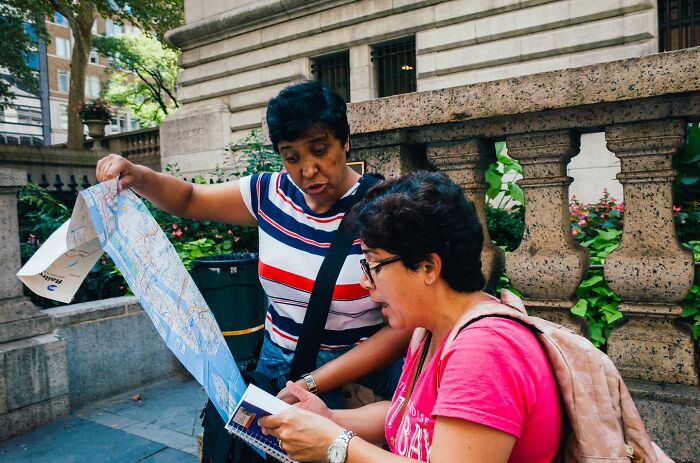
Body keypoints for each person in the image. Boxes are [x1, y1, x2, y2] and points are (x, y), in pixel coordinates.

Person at [96, 81, 409, 458]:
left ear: (345, 142)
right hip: (274, 367)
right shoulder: (268, 194)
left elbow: (401, 328)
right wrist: (140, 176)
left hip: (353, 385)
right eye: (291, 157)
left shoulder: (382, 209)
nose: (308, 170)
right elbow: (191, 198)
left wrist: (310, 382)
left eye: (320, 150)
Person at [259, 171, 563, 463]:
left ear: (428, 268)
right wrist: (328, 419)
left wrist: (335, 445)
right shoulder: (433, 328)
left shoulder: (484, 353)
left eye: (373, 264)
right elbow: (411, 416)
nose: (366, 281)